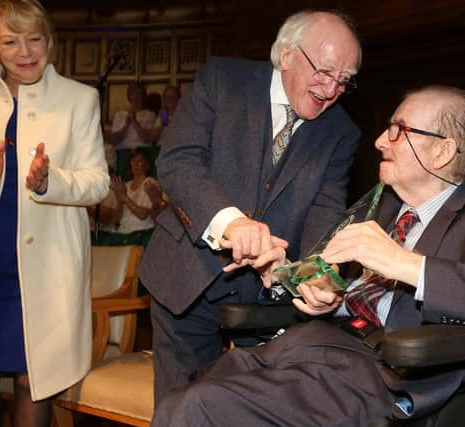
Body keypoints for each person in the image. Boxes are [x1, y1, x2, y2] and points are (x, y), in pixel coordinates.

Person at [149, 85, 465, 426]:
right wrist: (288, 275)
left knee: (195, 410)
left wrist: (406, 264)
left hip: (380, 373)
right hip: (301, 351)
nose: (380, 139)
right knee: (177, 402)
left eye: (399, 130)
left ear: (442, 152)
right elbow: (323, 277)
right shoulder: (376, 206)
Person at [140, 10, 362, 404]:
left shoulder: (341, 131)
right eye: (324, 72)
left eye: (344, 80)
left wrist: (316, 277)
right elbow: (179, 160)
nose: (331, 90)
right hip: (186, 280)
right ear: (288, 53)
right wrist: (231, 223)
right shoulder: (223, 79)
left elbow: (325, 214)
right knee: (181, 410)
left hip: (268, 302)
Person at [0, 1, 109, 426]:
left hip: (50, 265)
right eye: (10, 41)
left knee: (35, 381)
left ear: (48, 40)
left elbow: (98, 182)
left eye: (34, 38)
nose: (25, 51)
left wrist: (51, 182)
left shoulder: (79, 99)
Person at [108, 149, 169, 247]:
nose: (135, 164)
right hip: (122, 234)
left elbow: (142, 215)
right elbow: (115, 219)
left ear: (147, 166)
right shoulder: (125, 186)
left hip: (141, 234)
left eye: (139, 161)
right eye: (133, 161)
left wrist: (125, 198)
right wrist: (120, 201)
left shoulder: (150, 183)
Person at [110, 81, 161, 180]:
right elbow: (113, 141)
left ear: (143, 96)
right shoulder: (120, 115)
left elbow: (147, 139)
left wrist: (135, 121)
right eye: (133, 93)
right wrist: (126, 125)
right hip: (124, 153)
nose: (136, 97)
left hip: (144, 153)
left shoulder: (150, 115)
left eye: (139, 93)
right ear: (129, 96)